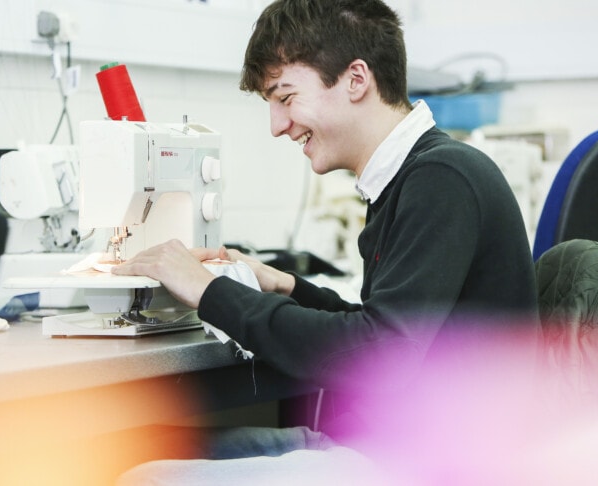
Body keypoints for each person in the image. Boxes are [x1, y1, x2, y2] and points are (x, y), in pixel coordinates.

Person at [112, 0, 540, 483]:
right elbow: (383, 329)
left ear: (356, 80)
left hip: (421, 464)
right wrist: (286, 286)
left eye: (286, 97)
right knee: (125, 448)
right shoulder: (411, 176)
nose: (277, 125)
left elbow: (382, 357)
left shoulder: (441, 178)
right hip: (385, 447)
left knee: (140, 477)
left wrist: (211, 293)